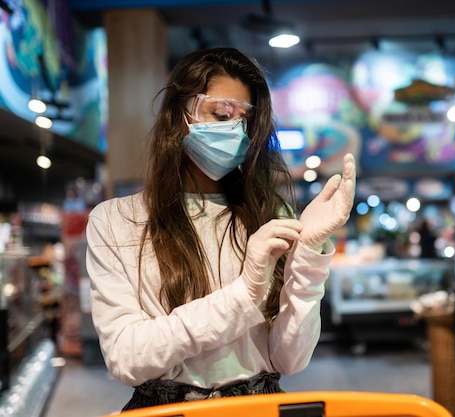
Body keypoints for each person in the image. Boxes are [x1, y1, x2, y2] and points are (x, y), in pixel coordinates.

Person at [85, 47, 356, 411]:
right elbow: (127, 358)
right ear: (179, 113)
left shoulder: (267, 214)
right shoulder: (116, 221)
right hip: (166, 408)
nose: (235, 131)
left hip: (258, 406)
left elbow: (290, 360)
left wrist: (308, 256)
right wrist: (244, 293)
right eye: (221, 113)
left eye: (245, 120)